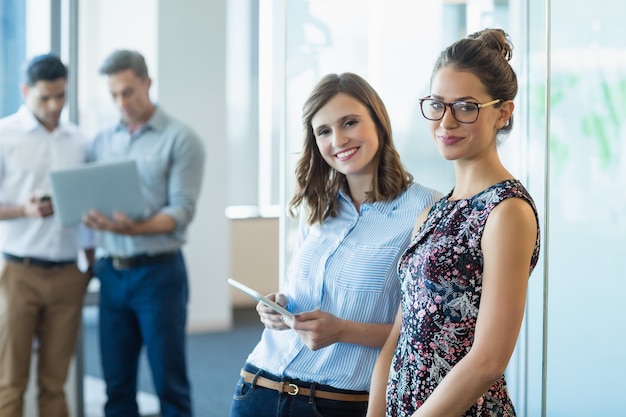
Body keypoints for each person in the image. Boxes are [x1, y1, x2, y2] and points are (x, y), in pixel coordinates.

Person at [229, 72, 442, 417]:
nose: (338, 139)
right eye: (324, 131)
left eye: (350, 123)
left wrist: (342, 330)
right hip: (258, 388)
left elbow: (425, 331)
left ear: (378, 122)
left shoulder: (426, 210)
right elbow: (302, 295)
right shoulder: (317, 208)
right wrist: (279, 307)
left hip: (336, 403)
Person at [366, 28, 541, 417]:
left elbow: (488, 360)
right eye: (437, 104)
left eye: (465, 106)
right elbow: (400, 335)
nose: (446, 122)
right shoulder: (435, 210)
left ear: (503, 112)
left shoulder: (507, 211)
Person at [82, 49, 205, 417]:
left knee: (170, 383)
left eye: (129, 92)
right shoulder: (102, 141)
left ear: (147, 83)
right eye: (114, 94)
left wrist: (131, 227)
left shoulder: (181, 139)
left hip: (159, 275)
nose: (122, 102)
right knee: (116, 385)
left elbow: (181, 212)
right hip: (111, 274)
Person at [0, 53, 94, 417]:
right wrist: (23, 210)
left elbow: (89, 205)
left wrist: (88, 261)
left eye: (61, 96)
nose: (55, 106)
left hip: (69, 273)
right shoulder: (5, 135)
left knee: (55, 385)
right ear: (25, 91)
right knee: (10, 382)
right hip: (18, 273)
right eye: (45, 98)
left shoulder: (79, 140)